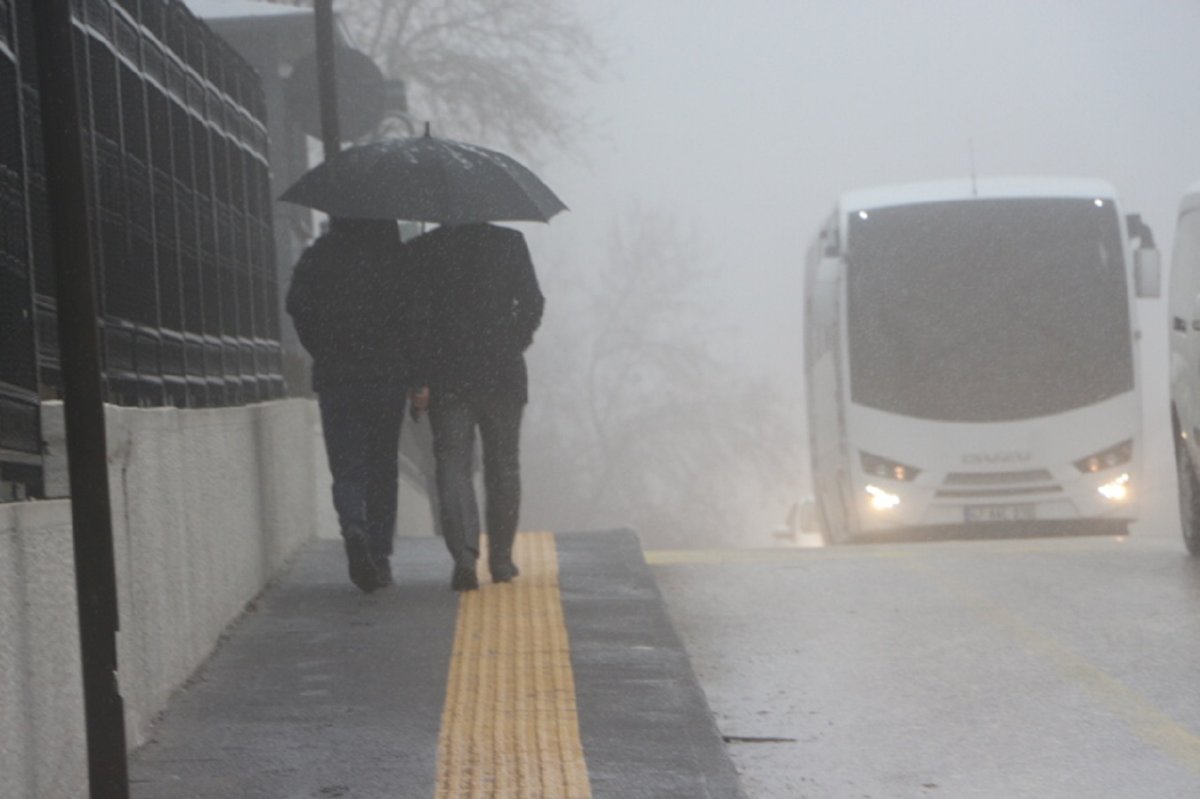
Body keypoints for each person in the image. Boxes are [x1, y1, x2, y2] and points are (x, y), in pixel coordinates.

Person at [286, 218, 429, 593]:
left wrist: (323, 347)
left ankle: (353, 526)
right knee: (383, 465)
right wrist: (414, 375)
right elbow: (415, 321)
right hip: (386, 379)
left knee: (348, 467)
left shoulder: (320, 256)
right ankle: (380, 556)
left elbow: (296, 305)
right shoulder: (397, 258)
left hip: (338, 378)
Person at [410, 222, 544, 591]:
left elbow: (414, 319)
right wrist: (510, 341)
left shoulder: (426, 249)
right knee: (503, 467)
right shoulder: (509, 243)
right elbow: (533, 302)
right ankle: (501, 560)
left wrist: (419, 377)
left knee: (453, 464)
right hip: (502, 375)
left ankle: (465, 557)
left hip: (447, 376)